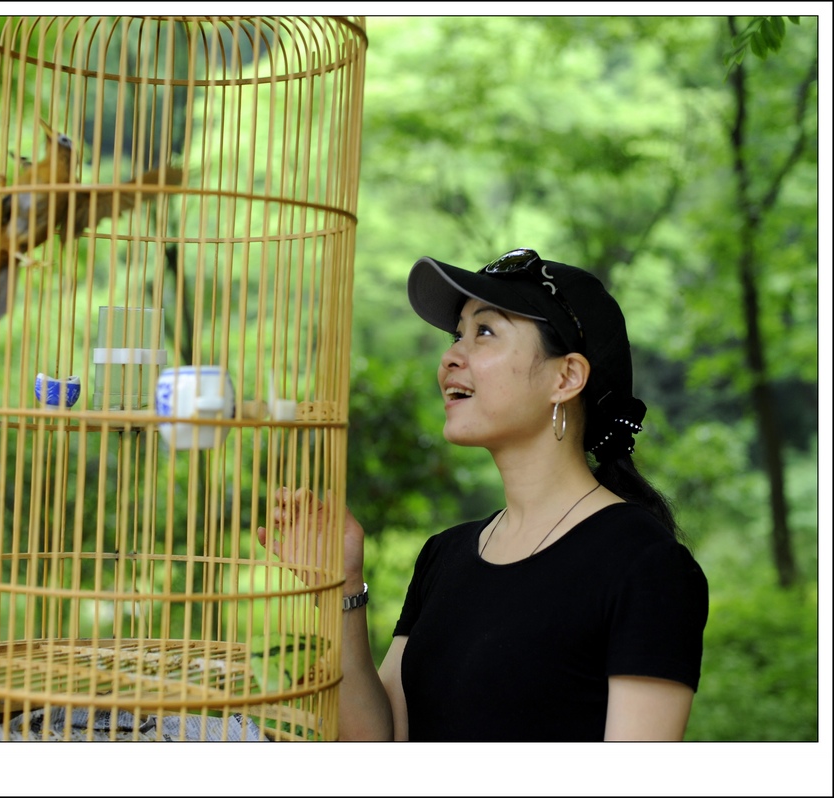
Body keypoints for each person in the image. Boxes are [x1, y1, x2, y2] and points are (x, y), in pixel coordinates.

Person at [258, 248, 709, 741]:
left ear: (566, 377)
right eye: (457, 335)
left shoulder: (644, 564)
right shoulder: (445, 555)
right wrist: (341, 590)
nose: (451, 356)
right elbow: (377, 745)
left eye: (485, 331)